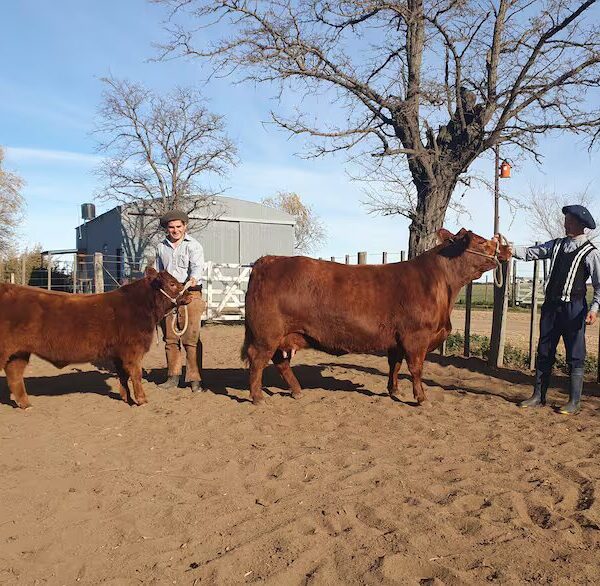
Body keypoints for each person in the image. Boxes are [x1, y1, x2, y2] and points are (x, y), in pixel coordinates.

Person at [507, 205, 600, 415]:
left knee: (575, 354)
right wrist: (508, 248)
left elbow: (599, 286)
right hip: (551, 307)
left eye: (568, 220)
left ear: (579, 224)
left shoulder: (591, 254)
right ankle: (538, 396)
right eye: (566, 219)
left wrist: (594, 309)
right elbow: (531, 252)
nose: (565, 222)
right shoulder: (556, 245)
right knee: (544, 349)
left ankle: (574, 402)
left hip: (574, 309)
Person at [155, 210, 206, 392]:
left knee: (191, 339)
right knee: (170, 338)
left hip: (190, 294)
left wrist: (192, 280)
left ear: (185, 226)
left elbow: (197, 268)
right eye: (171, 227)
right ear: (166, 229)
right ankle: (173, 376)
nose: (175, 230)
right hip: (169, 298)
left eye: (178, 226)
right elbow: (159, 272)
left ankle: (194, 378)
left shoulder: (194, 246)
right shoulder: (161, 247)